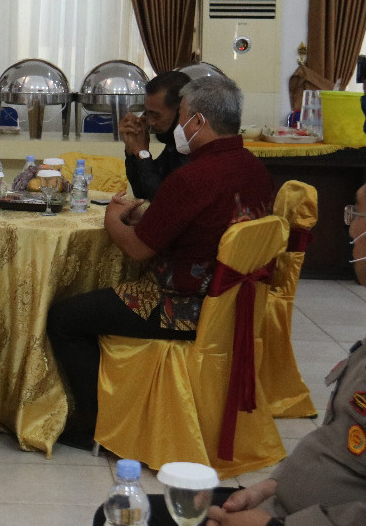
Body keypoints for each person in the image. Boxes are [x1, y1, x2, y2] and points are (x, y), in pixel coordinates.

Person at [91, 186, 366, 525]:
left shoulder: (197, 181)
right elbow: (333, 448)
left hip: (291, 520)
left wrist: (269, 525)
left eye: (358, 215)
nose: (351, 229)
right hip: (278, 503)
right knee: (116, 513)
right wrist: (267, 488)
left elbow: (138, 247)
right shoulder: (249, 174)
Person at [48, 75, 273, 447]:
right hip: (235, 304)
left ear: (198, 121)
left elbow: (138, 250)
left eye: (181, 116)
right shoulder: (254, 168)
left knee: (64, 317)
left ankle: (91, 422)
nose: (175, 127)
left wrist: (112, 220)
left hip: (181, 307)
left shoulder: (193, 177)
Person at [120, 70, 192, 200]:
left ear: (182, 111)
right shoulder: (172, 143)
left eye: (156, 115)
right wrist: (132, 152)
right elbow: (141, 192)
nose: (150, 122)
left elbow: (162, 199)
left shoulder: (193, 147)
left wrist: (142, 153)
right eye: (147, 113)